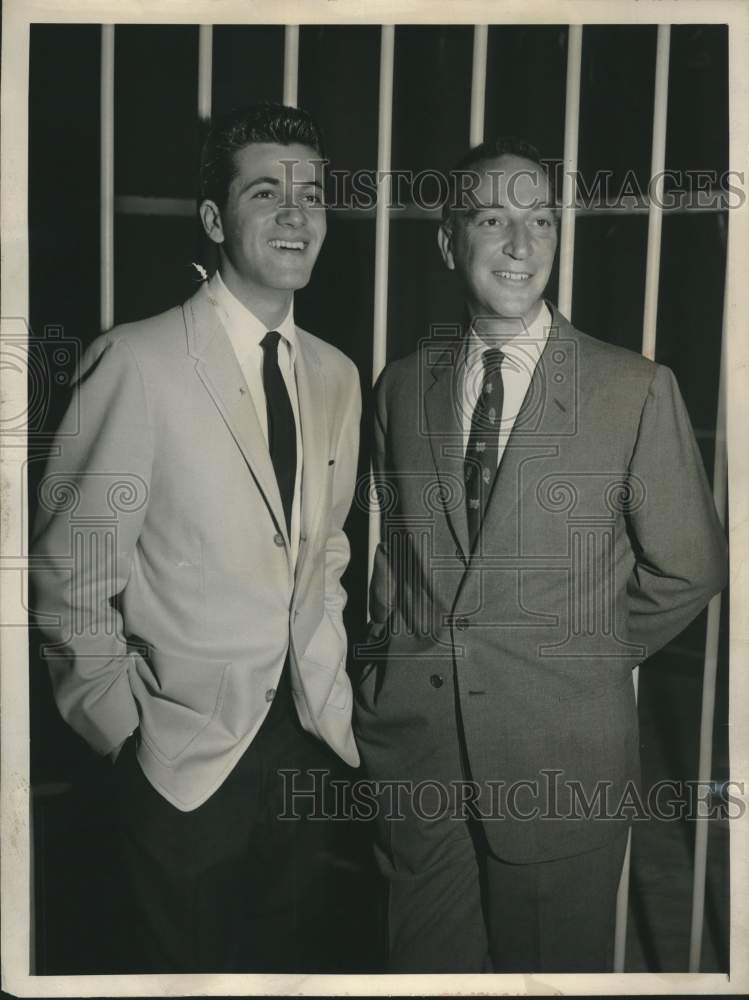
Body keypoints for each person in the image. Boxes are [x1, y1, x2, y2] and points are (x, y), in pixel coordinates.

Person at [353, 137, 728, 973]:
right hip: (419, 759)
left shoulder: (631, 388)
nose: (520, 245)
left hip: (560, 762)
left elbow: (690, 567)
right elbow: (397, 563)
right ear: (449, 241)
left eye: (541, 221)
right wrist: (383, 678)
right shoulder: (400, 386)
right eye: (493, 218)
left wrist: (573, 652)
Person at [31, 102, 361, 973]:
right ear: (216, 219)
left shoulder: (335, 374)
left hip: (303, 748)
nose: (295, 215)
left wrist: (325, 690)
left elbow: (324, 549)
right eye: (266, 192)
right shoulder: (138, 361)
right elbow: (70, 573)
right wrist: (122, 733)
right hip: (175, 762)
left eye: (312, 194)